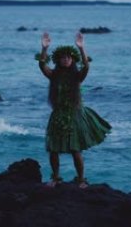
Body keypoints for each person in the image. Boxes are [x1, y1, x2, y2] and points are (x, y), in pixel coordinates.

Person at [37, 31, 111, 188]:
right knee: (53, 149)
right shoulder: (54, 75)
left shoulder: (78, 76)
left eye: (69, 57)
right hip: (58, 114)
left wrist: (82, 48)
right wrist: (44, 48)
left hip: (74, 115)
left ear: (72, 60)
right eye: (63, 58)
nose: (66, 60)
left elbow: (86, 66)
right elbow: (42, 65)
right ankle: (56, 178)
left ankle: (81, 179)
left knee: (75, 149)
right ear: (58, 60)